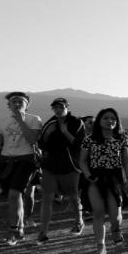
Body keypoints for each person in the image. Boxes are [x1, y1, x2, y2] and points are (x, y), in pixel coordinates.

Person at [0, 92, 43, 246]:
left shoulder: (34, 119)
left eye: (21, 102)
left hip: (26, 160)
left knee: (14, 195)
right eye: (14, 102)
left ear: (27, 105)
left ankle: (12, 233)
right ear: (8, 105)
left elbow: (32, 140)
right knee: (14, 198)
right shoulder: (2, 121)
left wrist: (20, 120)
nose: (17, 104)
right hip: (6, 161)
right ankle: (20, 229)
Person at [79, 108, 128, 254]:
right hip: (94, 177)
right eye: (106, 118)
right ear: (99, 121)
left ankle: (116, 229)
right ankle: (101, 247)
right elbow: (82, 160)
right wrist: (88, 174)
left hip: (115, 177)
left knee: (115, 215)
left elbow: (127, 161)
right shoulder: (89, 139)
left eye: (113, 118)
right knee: (98, 212)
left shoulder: (122, 138)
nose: (110, 121)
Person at [37, 97, 86, 243]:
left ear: (67, 107)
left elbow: (79, 144)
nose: (58, 110)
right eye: (55, 108)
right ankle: (43, 232)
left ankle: (79, 222)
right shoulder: (50, 123)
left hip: (69, 165)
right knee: (47, 198)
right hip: (50, 165)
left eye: (61, 107)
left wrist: (65, 132)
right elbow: (42, 142)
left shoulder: (76, 122)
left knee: (73, 196)